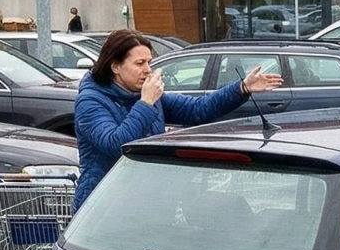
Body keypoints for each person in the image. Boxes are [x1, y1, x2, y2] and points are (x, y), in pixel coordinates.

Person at [73, 29, 283, 208]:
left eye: (149, 62)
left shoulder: (146, 95)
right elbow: (116, 145)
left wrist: (242, 88)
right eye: (139, 63)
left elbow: (198, 109)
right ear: (115, 66)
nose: (147, 70)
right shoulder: (91, 101)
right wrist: (145, 104)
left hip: (144, 198)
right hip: (102, 204)